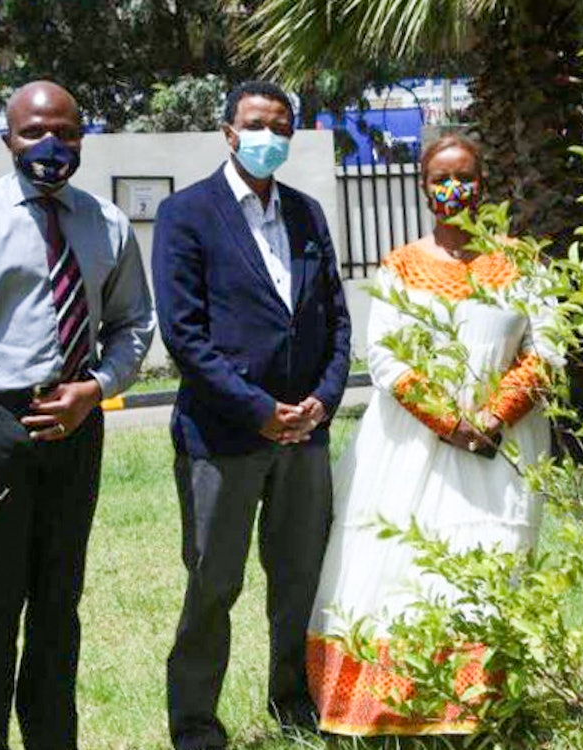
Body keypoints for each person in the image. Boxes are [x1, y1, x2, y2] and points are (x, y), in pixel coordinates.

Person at [0, 80, 155, 750]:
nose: (51, 146)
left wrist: (98, 388)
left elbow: (135, 323)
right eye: (33, 133)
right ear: (8, 138)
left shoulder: (105, 223)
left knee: (59, 607)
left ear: (82, 137)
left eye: (66, 133)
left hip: (77, 425)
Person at [305, 134, 562, 736]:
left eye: (465, 178)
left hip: (501, 450)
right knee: (400, 566)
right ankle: (389, 711)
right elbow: (386, 359)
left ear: (485, 184)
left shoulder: (522, 263)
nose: (454, 191)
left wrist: (493, 416)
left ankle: (475, 711)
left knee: (488, 566)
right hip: (410, 449)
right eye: (440, 180)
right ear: (422, 188)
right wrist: (451, 422)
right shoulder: (399, 265)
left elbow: (547, 347)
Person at [152, 80, 351, 749]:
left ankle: (293, 704)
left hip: (306, 436)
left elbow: (336, 320)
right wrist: (260, 410)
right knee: (214, 583)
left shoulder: (306, 214)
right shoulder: (187, 215)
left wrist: (322, 398)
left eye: (281, 125)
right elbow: (185, 335)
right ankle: (195, 725)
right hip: (223, 437)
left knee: (297, 580)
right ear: (229, 131)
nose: (269, 135)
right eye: (256, 123)